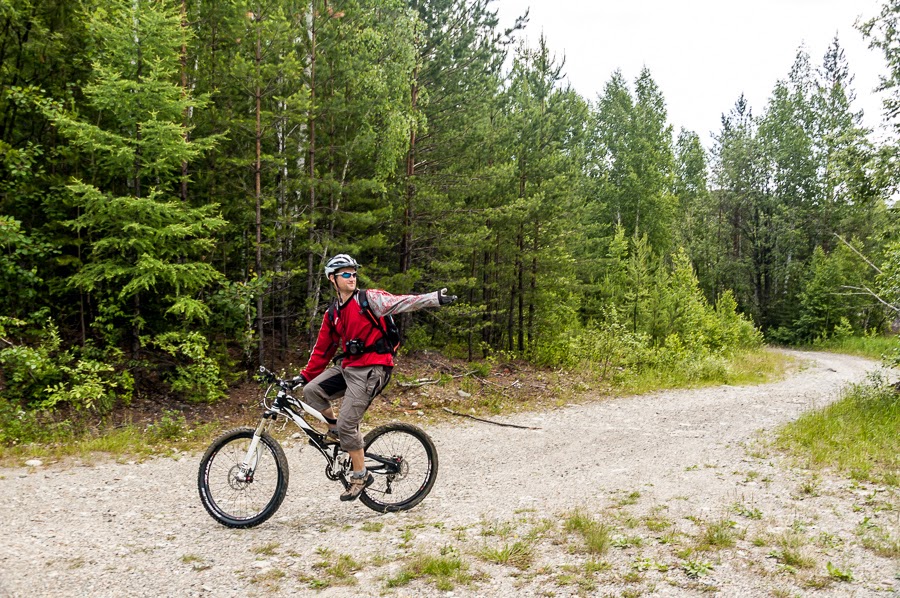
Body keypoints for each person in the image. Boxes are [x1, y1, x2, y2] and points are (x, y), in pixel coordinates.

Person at [295, 254, 457, 502]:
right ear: (332, 279)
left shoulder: (368, 299)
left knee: (350, 423)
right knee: (311, 391)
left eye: (354, 273)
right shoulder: (332, 313)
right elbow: (322, 350)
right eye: (346, 274)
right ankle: (335, 429)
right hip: (348, 367)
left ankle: (360, 476)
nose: (352, 278)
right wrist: (304, 377)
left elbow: (402, 302)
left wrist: (434, 298)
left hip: (373, 368)